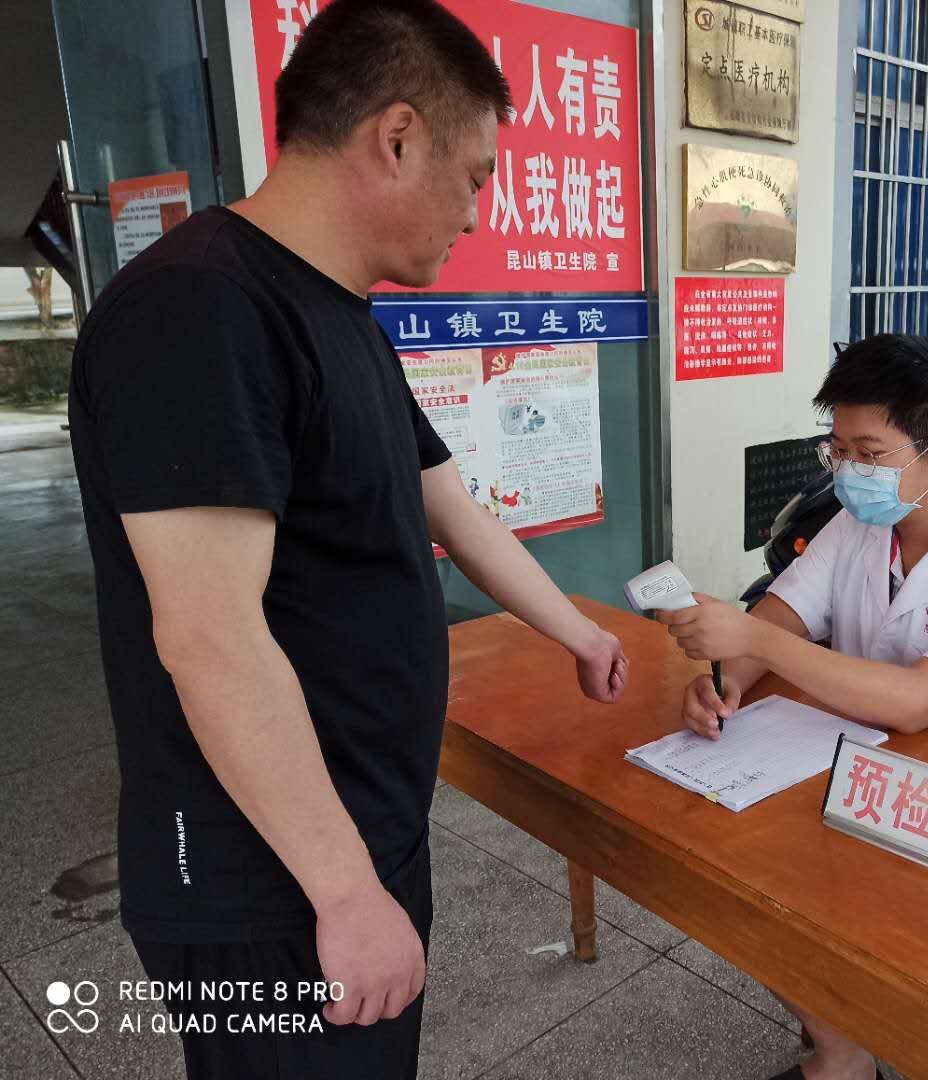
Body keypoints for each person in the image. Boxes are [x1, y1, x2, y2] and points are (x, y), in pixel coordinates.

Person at [67, 2, 627, 1077]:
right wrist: (344, 893)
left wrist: (579, 633)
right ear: (398, 137)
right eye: (475, 176)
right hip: (266, 876)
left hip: (352, 830)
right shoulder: (198, 311)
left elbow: (451, 507)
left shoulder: (340, 313)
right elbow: (210, 639)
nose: (477, 214)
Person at [658, 332, 928, 1080]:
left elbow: (917, 703)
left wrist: (755, 640)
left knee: (815, 898)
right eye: (837, 450)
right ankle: (841, 1054)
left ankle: (865, 1042)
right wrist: (727, 679)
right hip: (861, 772)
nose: (848, 472)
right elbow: (780, 617)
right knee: (732, 877)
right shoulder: (859, 527)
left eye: (869, 454)